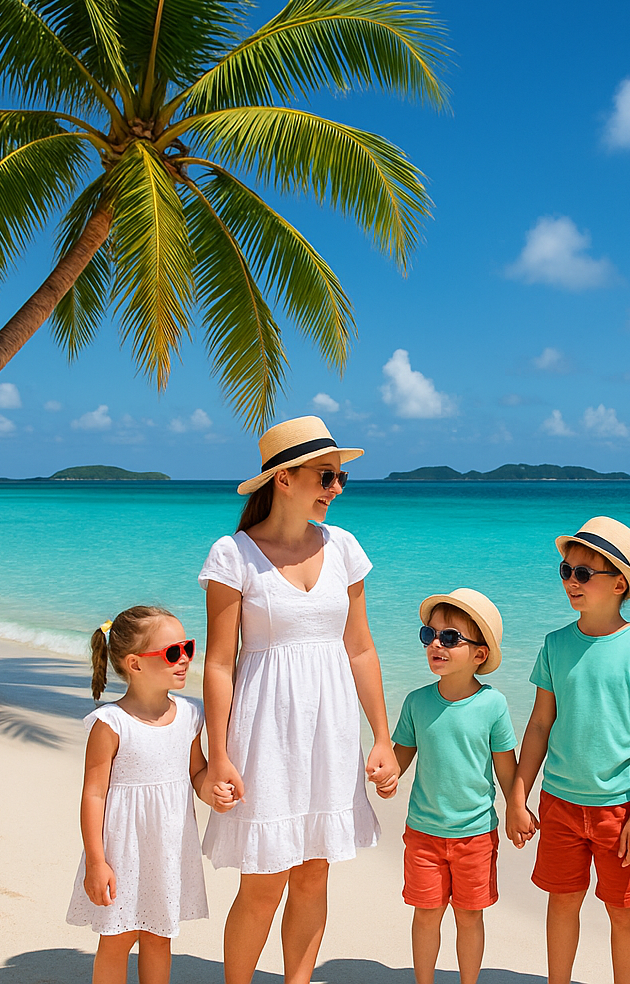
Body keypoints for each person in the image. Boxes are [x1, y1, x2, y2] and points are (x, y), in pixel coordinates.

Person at [200, 415, 400, 984]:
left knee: (314, 874)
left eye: (340, 478)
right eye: (326, 476)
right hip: (264, 730)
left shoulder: (345, 548)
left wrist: (382, 736)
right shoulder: (233, 555)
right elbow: (219, 663)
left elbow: (360, 649)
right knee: (263, 880)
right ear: (284, 479)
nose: (336, 488)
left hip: (331, 729)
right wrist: (219, 754)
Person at [507, 517, 630, 984]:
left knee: (622, 909)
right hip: (558, 804)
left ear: (620, 583)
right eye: (565, 570)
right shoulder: (555, 644)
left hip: (618, 808)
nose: (570, 581)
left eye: (583, 573)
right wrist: (518, 795)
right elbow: (539, 724)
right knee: (562, 903)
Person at [66, 606, 232, 984]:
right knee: (117, 938)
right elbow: (93, 794)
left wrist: (214, 791)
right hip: (122, 851)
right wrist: (96, 861)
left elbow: (197, 773)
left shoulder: (191, 715)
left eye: (187, 648)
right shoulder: (111, 724)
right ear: (135, 664)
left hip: (169, 848)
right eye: (173, 653)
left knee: (160, 937)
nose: (185, 659)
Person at [391, 588, 518, 984]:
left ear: (479, 655)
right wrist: (383, 775)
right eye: (429, 635)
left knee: (469, 915)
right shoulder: (416, 702)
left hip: (476, 835)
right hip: (424, 833)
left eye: (450, 638)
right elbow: (399, 758)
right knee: (426, 913)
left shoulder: (493, 705)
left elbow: (506, 769)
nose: (436, 645)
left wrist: (518, 807)